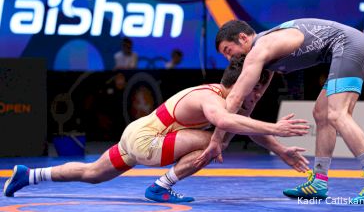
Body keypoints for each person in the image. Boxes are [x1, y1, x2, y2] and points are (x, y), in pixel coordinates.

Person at [3, 61, 310, 203]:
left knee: (93, 173)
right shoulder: (212, 97)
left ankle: (28, 176)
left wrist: (281, 150)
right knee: (215, 142)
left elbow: (243, 124)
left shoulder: (227, 100)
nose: (255, 99)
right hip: (148, 139)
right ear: (243, 85)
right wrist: (277, 129)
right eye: (255, 92)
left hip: (138, 134)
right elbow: (227, 124)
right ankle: (160, 187)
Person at [197, 18, 364, 204]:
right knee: (321, 113)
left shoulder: (260, 49)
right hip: (354, 46)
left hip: (350, 45)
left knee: (337, 113)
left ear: (243, 37)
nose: (229, 58)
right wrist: (224, 140)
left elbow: (234, 99)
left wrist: (216, 140)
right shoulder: (267, 53)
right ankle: (319, 181)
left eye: (228, 50)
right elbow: (248, 107)